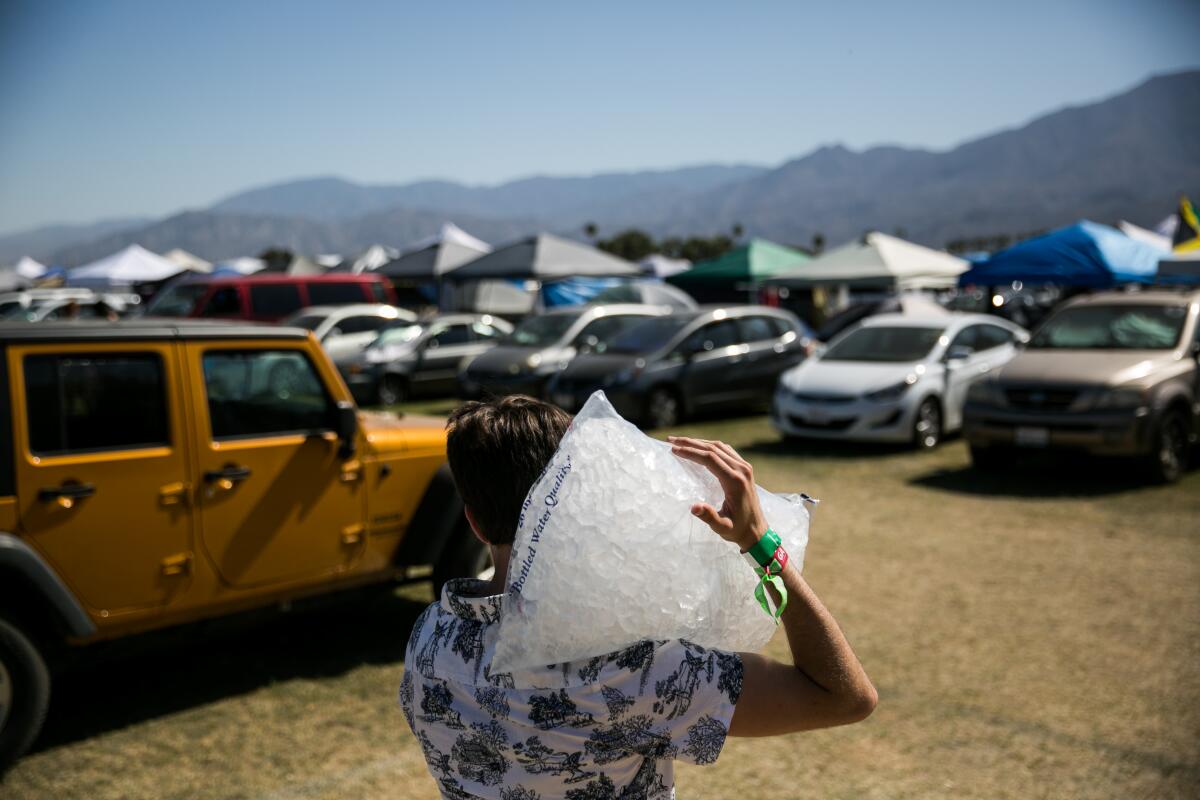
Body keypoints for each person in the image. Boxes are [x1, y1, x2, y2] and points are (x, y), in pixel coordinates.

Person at [401, 396, 875, 799]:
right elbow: (845, 698)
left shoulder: (427, 640)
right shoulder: (629, 668)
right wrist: (763, 544)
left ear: (475, 522)